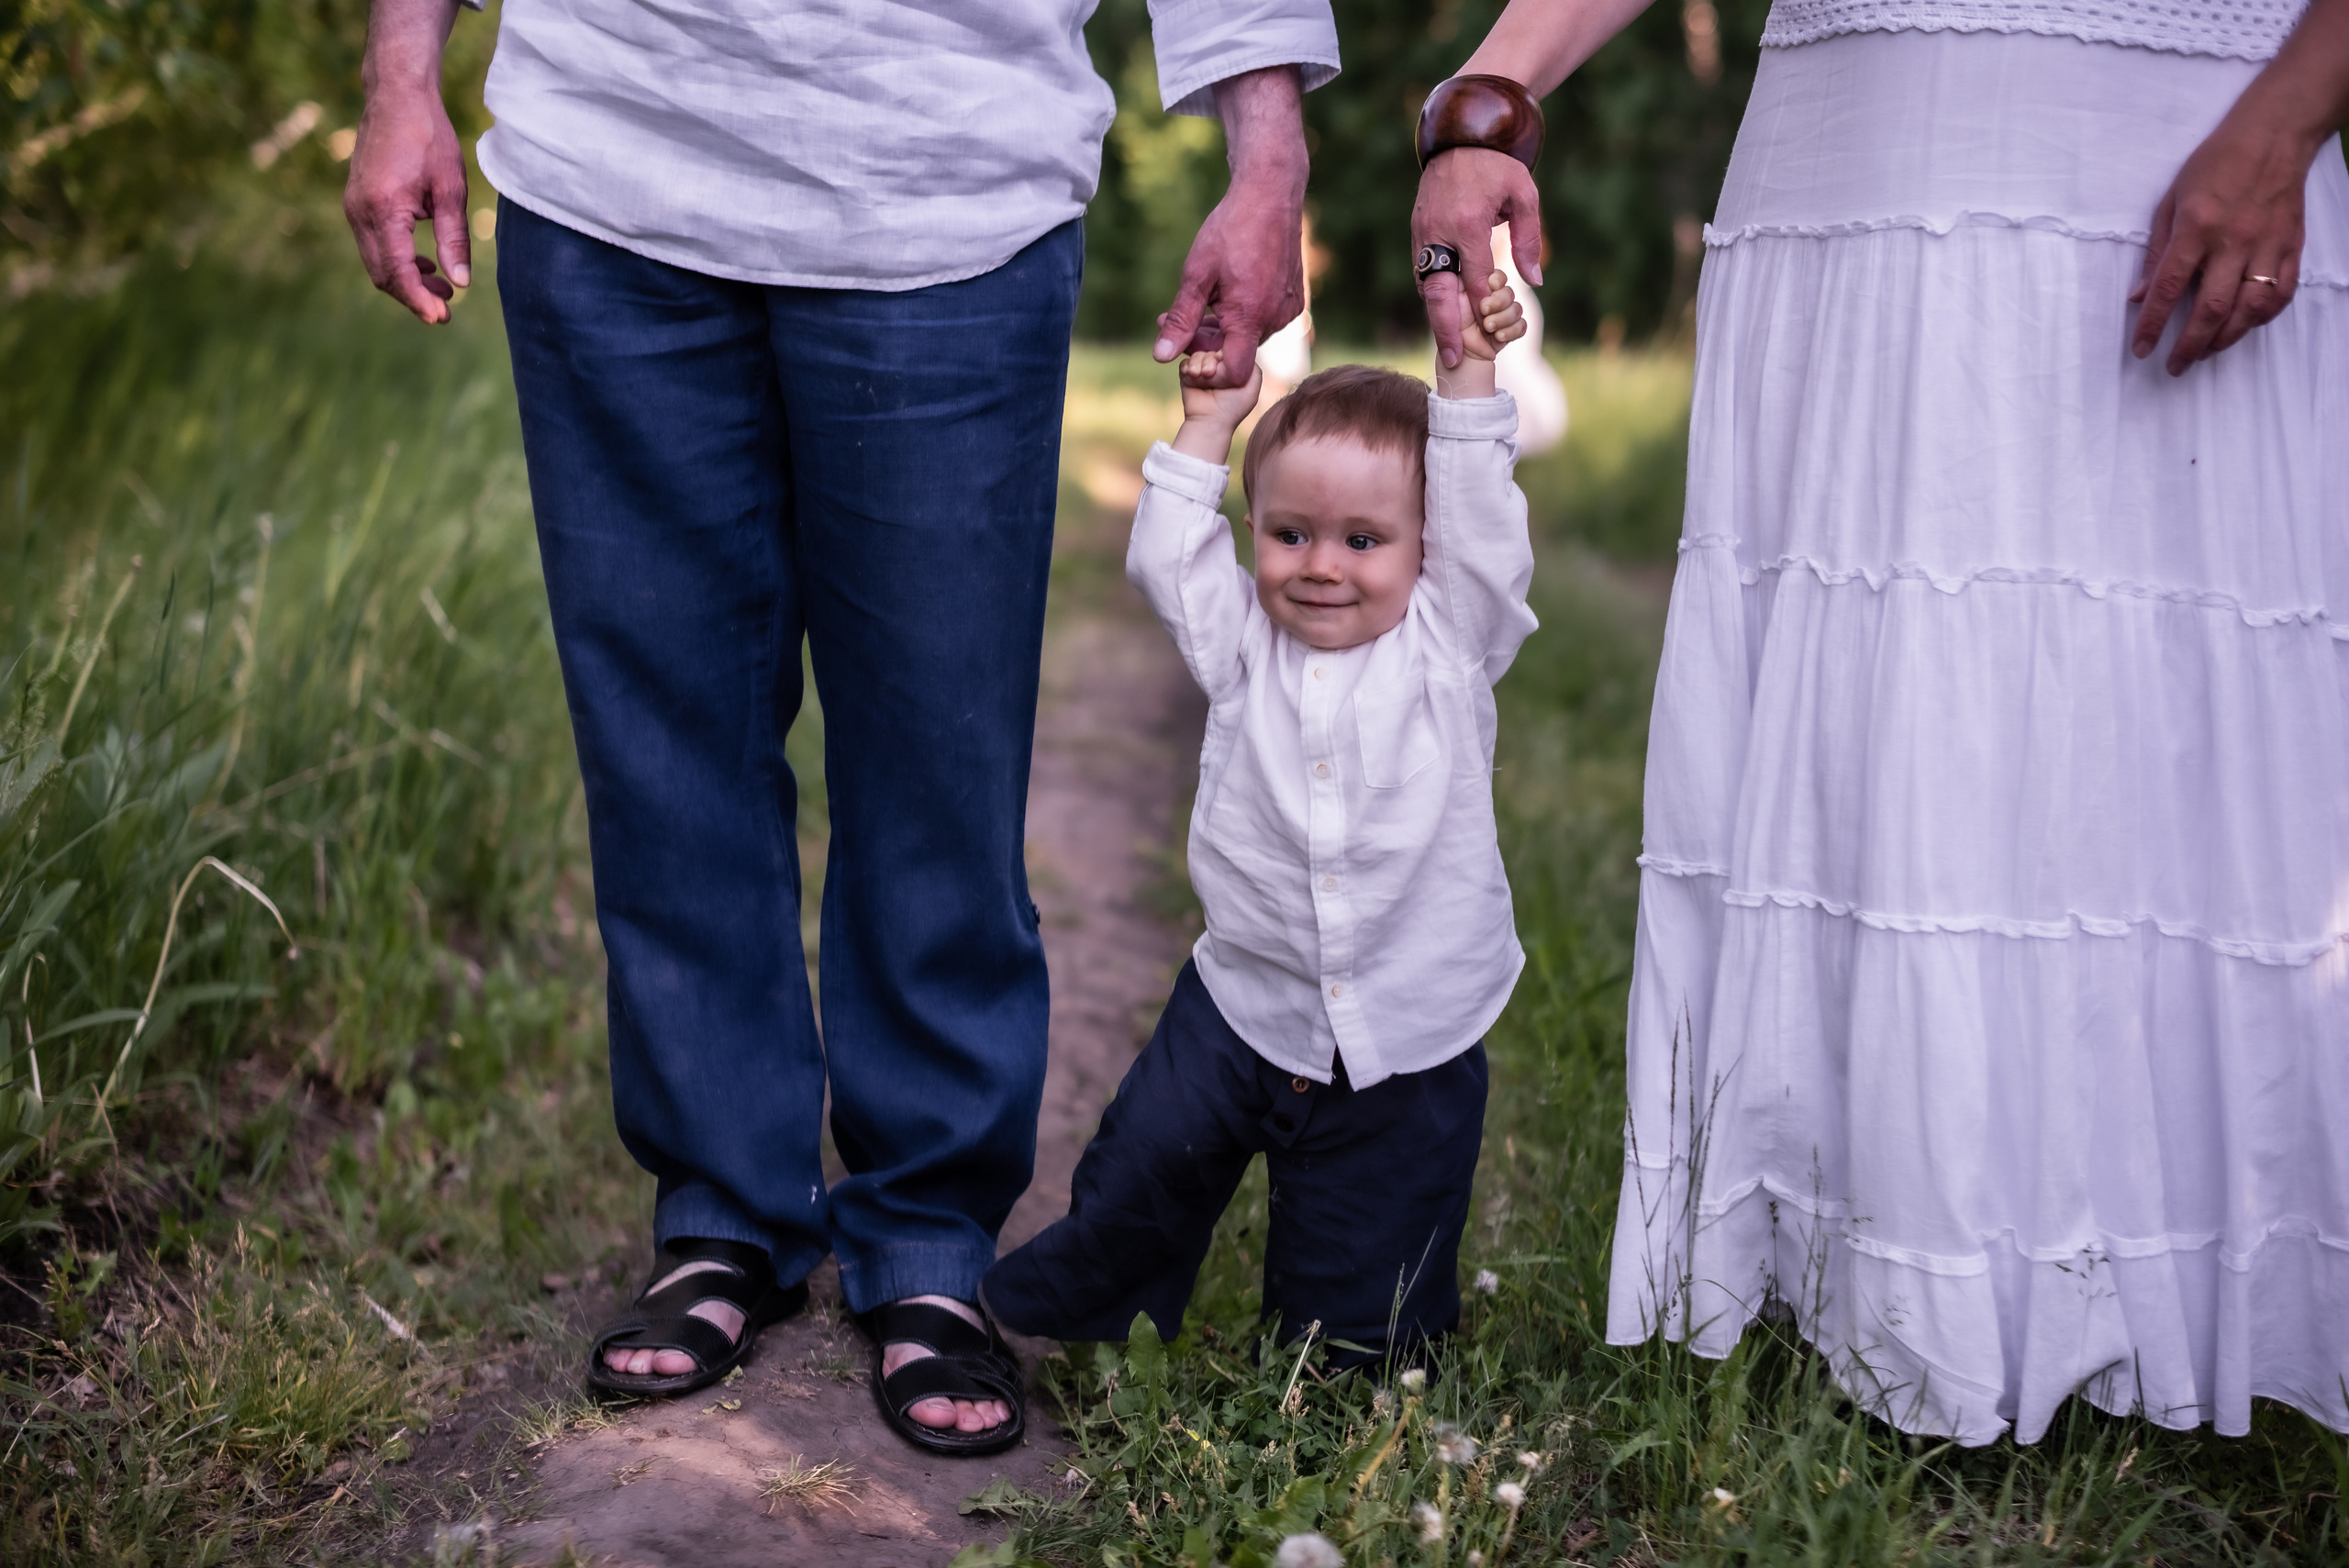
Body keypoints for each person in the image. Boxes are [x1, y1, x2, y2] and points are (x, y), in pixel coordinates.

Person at [344, 0, 1341, 1456]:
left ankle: (931, 1237)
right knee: (662, 735)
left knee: (938, 750)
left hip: (949, 180)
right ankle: (722, 1212)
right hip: (612, 166)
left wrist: (1268, 161)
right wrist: (399, 69)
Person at [1415, 0, 2349, 1441]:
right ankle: (1885, 1258)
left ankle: (2159, 1280)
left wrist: (2292, 115)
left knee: (2138, 722)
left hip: (2165, 132)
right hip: (1852, 163)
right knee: (1886, 716)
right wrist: (1494, 89)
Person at [981, 277, 1538, 1365]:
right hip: (1242, 994)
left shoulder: (1450, 641)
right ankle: (1095, 1319)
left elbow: (1481, 519)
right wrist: (1204, 424)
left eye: (1363, 539)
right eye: (1287, 533)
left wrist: (1466, 370)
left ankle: (1343, 1370)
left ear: (1426, 547)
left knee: (1365, 1268)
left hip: (1407, 1020)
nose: (1320, 564)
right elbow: (1166, 561)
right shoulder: (1242, 648)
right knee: (1145, 1165)